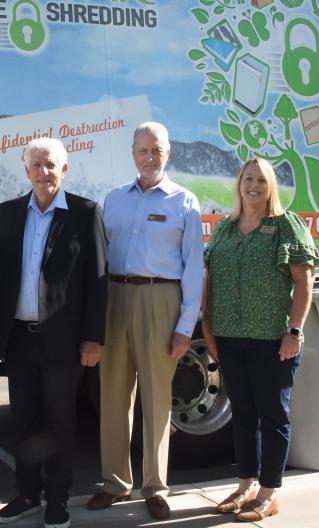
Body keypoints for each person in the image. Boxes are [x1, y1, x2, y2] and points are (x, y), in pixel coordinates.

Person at [0, 138, 108, 528]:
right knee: (24, 422)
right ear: (26, 170)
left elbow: (97, 281)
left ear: (64, 170)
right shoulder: (7, 214)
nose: (43, 172)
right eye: (36, 165)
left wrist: (93, 337)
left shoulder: (86, 213)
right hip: (19, 337)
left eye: (51, 165)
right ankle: (25, 495)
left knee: (59, 423)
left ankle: (57, 499)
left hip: (64, 340)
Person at [88, 121, 203, 521]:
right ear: (133, 153)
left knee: (156, 397)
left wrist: (185, 326)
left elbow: (193, 270)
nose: (149, 157)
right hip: (116, 298)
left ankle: (155, 486)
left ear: (167, 152)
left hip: (161, 298)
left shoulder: (184, 202)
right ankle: (115, 483)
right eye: (142, 150)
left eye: (156, 150)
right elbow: (99, 259)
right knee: (113, 396)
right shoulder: (114, 200)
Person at [202, 157, 319, 522]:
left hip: (272, 339)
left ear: (271, 187)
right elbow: (211, 281)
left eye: (261, 181)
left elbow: (305, 281)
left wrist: (294, 332)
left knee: (273, 416)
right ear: (239, 184)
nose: (253, 186)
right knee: (242, 415)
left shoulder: (286, 225)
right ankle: (245, 485)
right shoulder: (224, 228)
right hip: (229, 337)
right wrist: (207, 329)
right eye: (247, 179)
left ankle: (269, 492)